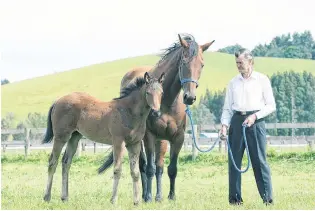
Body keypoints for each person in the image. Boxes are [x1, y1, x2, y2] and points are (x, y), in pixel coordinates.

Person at [219, 48, 276, 205]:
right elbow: (227, 108)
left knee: (259, 161)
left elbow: (271, 106)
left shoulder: (262, 80)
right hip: (237, 122)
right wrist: (224, 125)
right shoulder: (233, 82)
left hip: (256, 122)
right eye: (236, 63)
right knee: (234, 162)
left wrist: (255, 116)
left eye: (241, 62)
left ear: (250, 62)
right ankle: (235, 200)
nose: (238, 66)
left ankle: (267, 199)